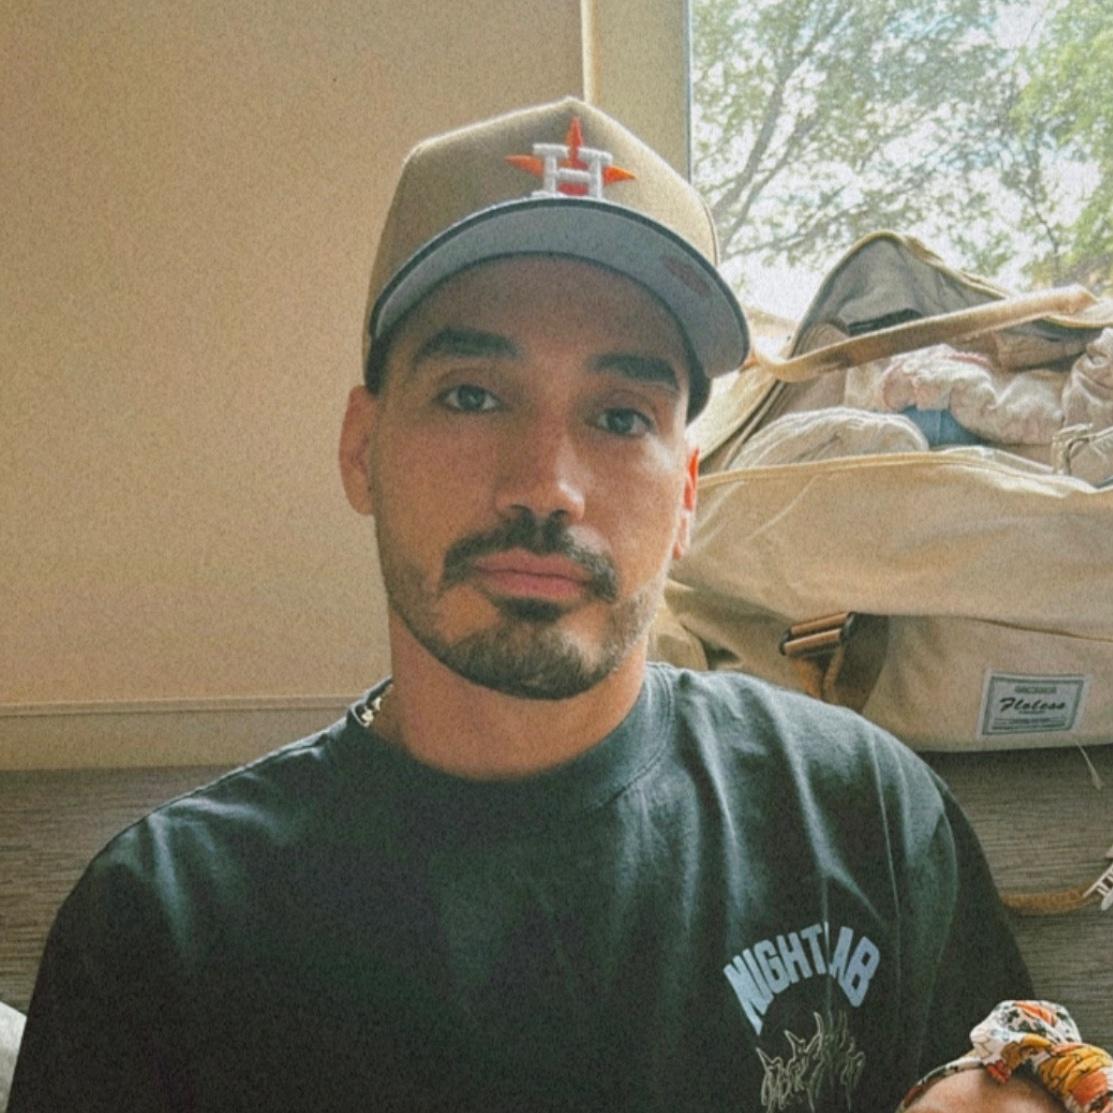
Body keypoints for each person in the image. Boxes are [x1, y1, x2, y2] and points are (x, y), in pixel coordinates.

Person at [10, 97, 1035, 1113]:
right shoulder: (162, 927)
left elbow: (1020, 1074)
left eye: (620, 415)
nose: (547, 485)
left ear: (685, 496)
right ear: (362, 449)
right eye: (472, 395)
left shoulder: (861, 814)